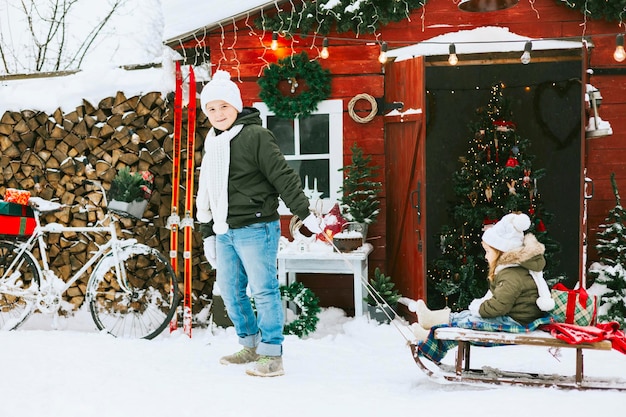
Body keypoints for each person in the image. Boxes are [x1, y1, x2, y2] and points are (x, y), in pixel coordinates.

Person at [196, 70, 323, 377]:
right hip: (224, 230)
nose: (217, 114)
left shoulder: (255, 136)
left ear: (236, 106)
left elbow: (282, 174)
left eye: (223, 106)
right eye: (211, 109)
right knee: (230, 290)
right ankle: (250, 344)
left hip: (256, 228)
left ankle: (272, 353)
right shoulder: (212, 142)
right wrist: (207, 232)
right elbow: (205, 188)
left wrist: (304, 212)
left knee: (263, 291)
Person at [411, 212, 555, 342]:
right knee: (467, 315)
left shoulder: (512, 275)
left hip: (515, 320)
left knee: (471, 320)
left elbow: (499, 307)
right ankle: (431, 322)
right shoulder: (511, 270)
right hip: (515, 316)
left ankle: (431, 337)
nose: (485, 256)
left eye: (488, 251)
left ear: (501, 251)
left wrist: (479, 308)